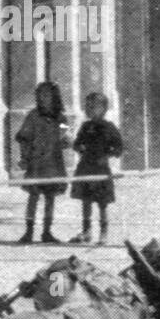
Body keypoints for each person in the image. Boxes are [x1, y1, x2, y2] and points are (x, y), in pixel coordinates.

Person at [16, 80, 69, 244]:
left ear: (54, 97)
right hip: (36, 162)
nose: (43, 98)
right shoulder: (33, 116)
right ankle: (29, 231)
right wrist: (24, 157)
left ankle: (47, 231)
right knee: (33, 196)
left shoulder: (60, 117)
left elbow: (65, 136)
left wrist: (66, 140)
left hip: (53, 162)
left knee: (50, 198)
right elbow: (24, 138)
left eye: (47, 94)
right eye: (40, 94)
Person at [69, 92, 123, 245]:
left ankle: (103, 234)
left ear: (104, 108)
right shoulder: (85, 126)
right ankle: (87, 232)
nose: (90, 109)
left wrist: (107, 155)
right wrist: (78, 146)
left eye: (94, 107)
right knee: (86, 202)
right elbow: (77, 143)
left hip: (101, 170)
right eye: (88, 106)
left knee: (102, 203)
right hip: (86, 167)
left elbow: (119, 147)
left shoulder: (109, 127)